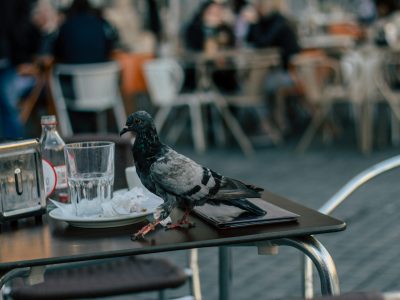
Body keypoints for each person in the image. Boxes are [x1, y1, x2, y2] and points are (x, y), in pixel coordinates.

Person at [0, 0, 42, 139]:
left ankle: (14, 145)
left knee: (6, 93)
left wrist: (34, 66)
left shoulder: (24, 17)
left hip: (23, 73)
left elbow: (42, 55)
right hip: (9, 69)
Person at [183, 1, 238, 93]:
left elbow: (230, 47)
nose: (215, 15)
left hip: (222, 73)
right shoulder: (193, 28)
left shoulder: (225, 29)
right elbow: (194, 48)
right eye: (212, 12)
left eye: (218, 12)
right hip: (196, 71)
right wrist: (210, 31)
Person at [53, 0, 118, 64]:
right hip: (99, 68)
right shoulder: (101, 23)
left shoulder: (66, 25)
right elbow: (111, 44)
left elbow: (57, 50)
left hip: (71, 69)